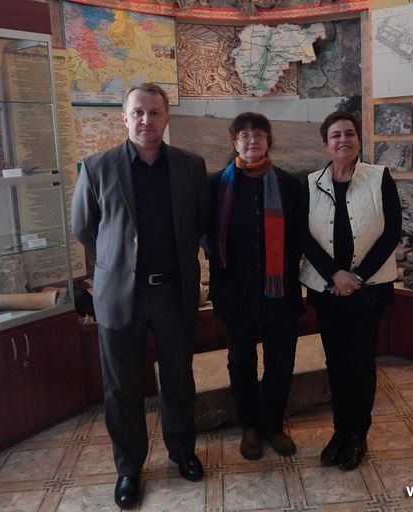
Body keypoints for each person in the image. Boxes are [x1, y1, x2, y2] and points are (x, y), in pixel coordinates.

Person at [71, 83, 208, 508]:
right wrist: (117, 263)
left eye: (154, 113)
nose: (146, 120)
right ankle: (129, 467)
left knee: (179, 379)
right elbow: (84, 228)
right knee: (121, 386)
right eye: (138, 113)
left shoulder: (191, 166)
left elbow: (200, 221)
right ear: (125, 118)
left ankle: (182, 451)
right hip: (119, 296)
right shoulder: (97, 167)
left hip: (173, 292)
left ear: (167, 118)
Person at [299, 110, 401, 470]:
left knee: (360, 362)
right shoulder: (310, 183)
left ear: (358, 139)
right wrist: (334, 275)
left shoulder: (379, 177)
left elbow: (392, 232)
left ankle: (358, 434)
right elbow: (303, 236)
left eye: (349, 134)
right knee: (336, 361)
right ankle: (340, 431)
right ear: (326, 144)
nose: (343, 140)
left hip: (368, 290)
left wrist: (356, 278)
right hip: (327, 290)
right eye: (336, 135)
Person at [206, 112, 303, 460]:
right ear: (234, 141)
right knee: (241, 361)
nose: (252, 141)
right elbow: (204, 231)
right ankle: (249, 426)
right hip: (234, 292)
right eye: (244, 135)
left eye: (259, 134)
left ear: (268, 141)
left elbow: (300, 235)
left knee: (281, 362)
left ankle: (273, 425)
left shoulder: (290, 185)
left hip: (280, 292)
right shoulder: (216, 184)